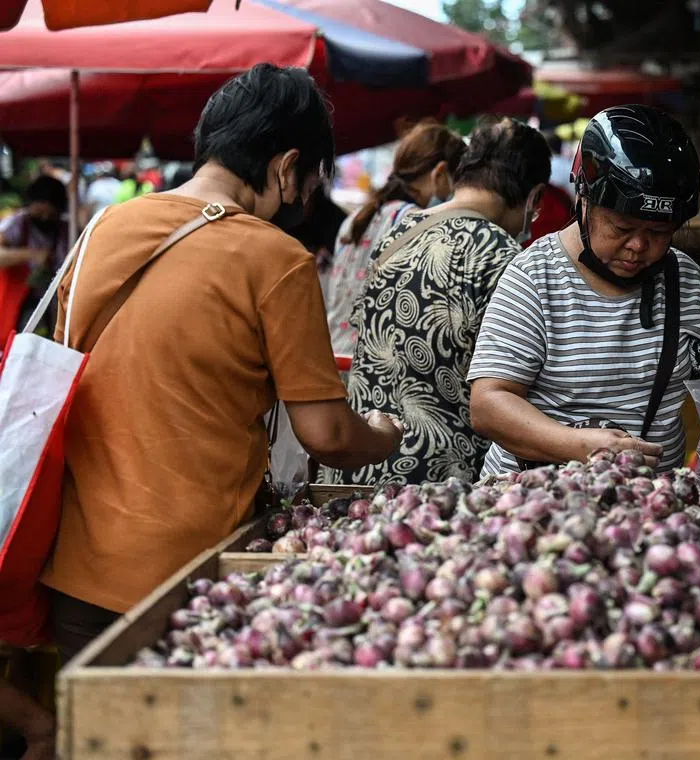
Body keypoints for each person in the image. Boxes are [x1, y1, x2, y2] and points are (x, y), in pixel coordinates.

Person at [40, 63, 403, 662]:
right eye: (310, 184)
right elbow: (329, 436)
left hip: (76, 570)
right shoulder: (275, 258)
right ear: (288, 167)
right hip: (191, 579)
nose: (306, 201)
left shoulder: (102, 228)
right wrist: (385, 436)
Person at [467, 105, 700, 476]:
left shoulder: (683, 278)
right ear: (583, 201)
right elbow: (489, 404)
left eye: (659, 233)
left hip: (650, 506)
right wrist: (582, 445)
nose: (638, 245)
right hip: (538, 502)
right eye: (621, 228)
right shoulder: (533, 278)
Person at [329, 117, 550, 486]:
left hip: (359, 462)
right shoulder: (504, 256)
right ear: (535, 196)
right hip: (439, 483)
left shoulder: (396, 233)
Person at [323, 121, 466, 357]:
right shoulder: (415, 223)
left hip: (336, 361)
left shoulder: (356, 218)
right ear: (440, 174)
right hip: (372, 372)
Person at [0, 175, 68, 337]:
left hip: (56, 305)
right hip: (19, 304)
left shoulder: (67, 230)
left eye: (50, 214)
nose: (45, 218)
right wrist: (31, 254)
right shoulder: (17, 224)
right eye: (40, 212)